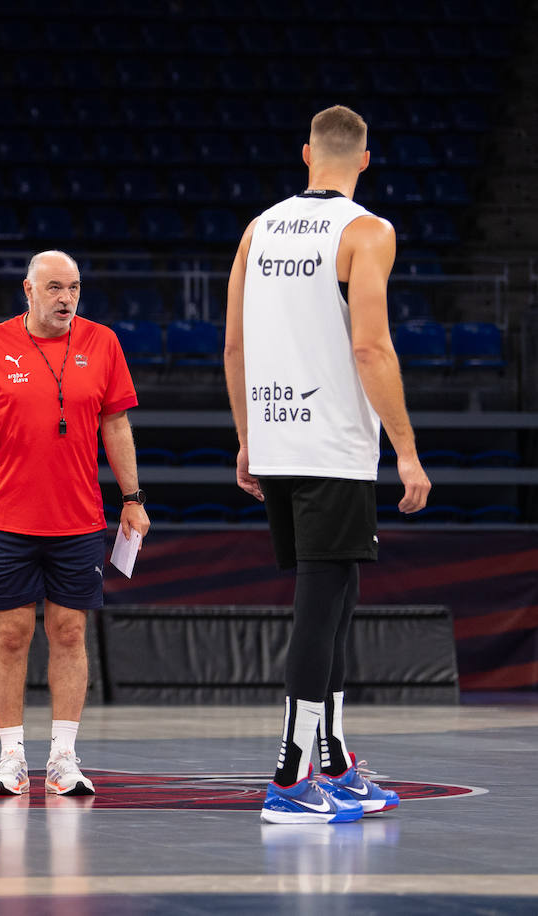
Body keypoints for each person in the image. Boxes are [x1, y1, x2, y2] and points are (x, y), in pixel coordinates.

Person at [226, 105, 431, 825]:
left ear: (306, 153)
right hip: (335, 445)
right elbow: (371, 348)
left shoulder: (259, 228)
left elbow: (233, 347)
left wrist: (248, 438)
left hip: (279, 440)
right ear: (365, 161)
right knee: (321, 608)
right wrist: (405, 449)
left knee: (338, 602)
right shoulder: (367, 230)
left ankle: (335, 761)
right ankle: (289, 776)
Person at [0, 250, 150, 797]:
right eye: (54, 287)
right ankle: (11, 758)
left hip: (77, 517)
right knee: (11, 635)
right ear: (27, 291)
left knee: (70, 632)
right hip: (5, 515)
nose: (66, 299)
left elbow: (117, 423)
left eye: (74, 287)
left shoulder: (102, 342)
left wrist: (133, 497)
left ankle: (63, 757)